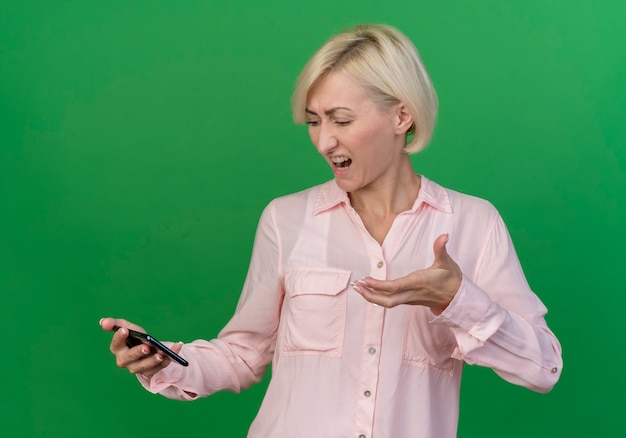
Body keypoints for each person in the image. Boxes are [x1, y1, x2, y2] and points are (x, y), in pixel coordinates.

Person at [100, 23, 562, 438]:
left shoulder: (473, 223)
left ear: (402, 116)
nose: (324, 141)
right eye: (314, 122)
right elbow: (241, 355)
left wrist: (457, 300)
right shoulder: (287, 219)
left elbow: (543, 367)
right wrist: (166, 361)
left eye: (341, 120)